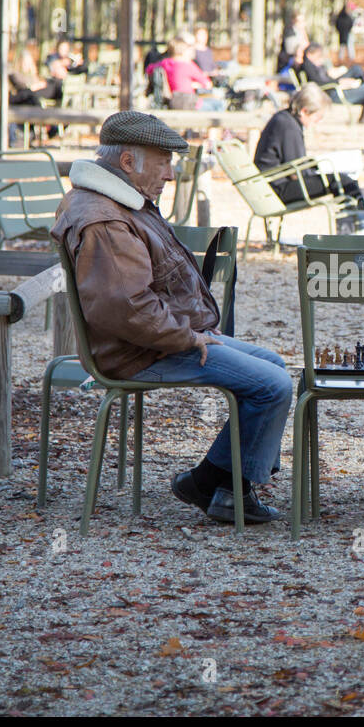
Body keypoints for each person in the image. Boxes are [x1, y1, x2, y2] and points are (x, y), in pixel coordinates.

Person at [50, 111, 292, 524]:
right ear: (128, 162)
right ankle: (224, 489)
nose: (171, 174)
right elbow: (125, 308)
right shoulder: (106, 218)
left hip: (155, 339)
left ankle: (214, 481)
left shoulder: (119, 199)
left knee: (274, 365)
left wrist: (191, 329)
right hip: (141, 352)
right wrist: (187, 337)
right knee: (273, 385)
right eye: (163, 161)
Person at [253, 85, 364, 207]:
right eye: (317, 117)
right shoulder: (289, 126)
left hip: (271, 185)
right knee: (340, 180)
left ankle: (357, 219)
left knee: (340, 180)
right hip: (276, 189)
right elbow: (297, 171)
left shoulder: (285, 119)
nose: (318, 122)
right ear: (304, 111)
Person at [146, 38, 223, 111]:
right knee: (218, 104)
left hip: (172, 102)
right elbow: (207, 84)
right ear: (184, 51)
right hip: (190, 102)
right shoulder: (187, 65)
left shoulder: (165, 63)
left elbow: (148, 69)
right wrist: (194, 84)